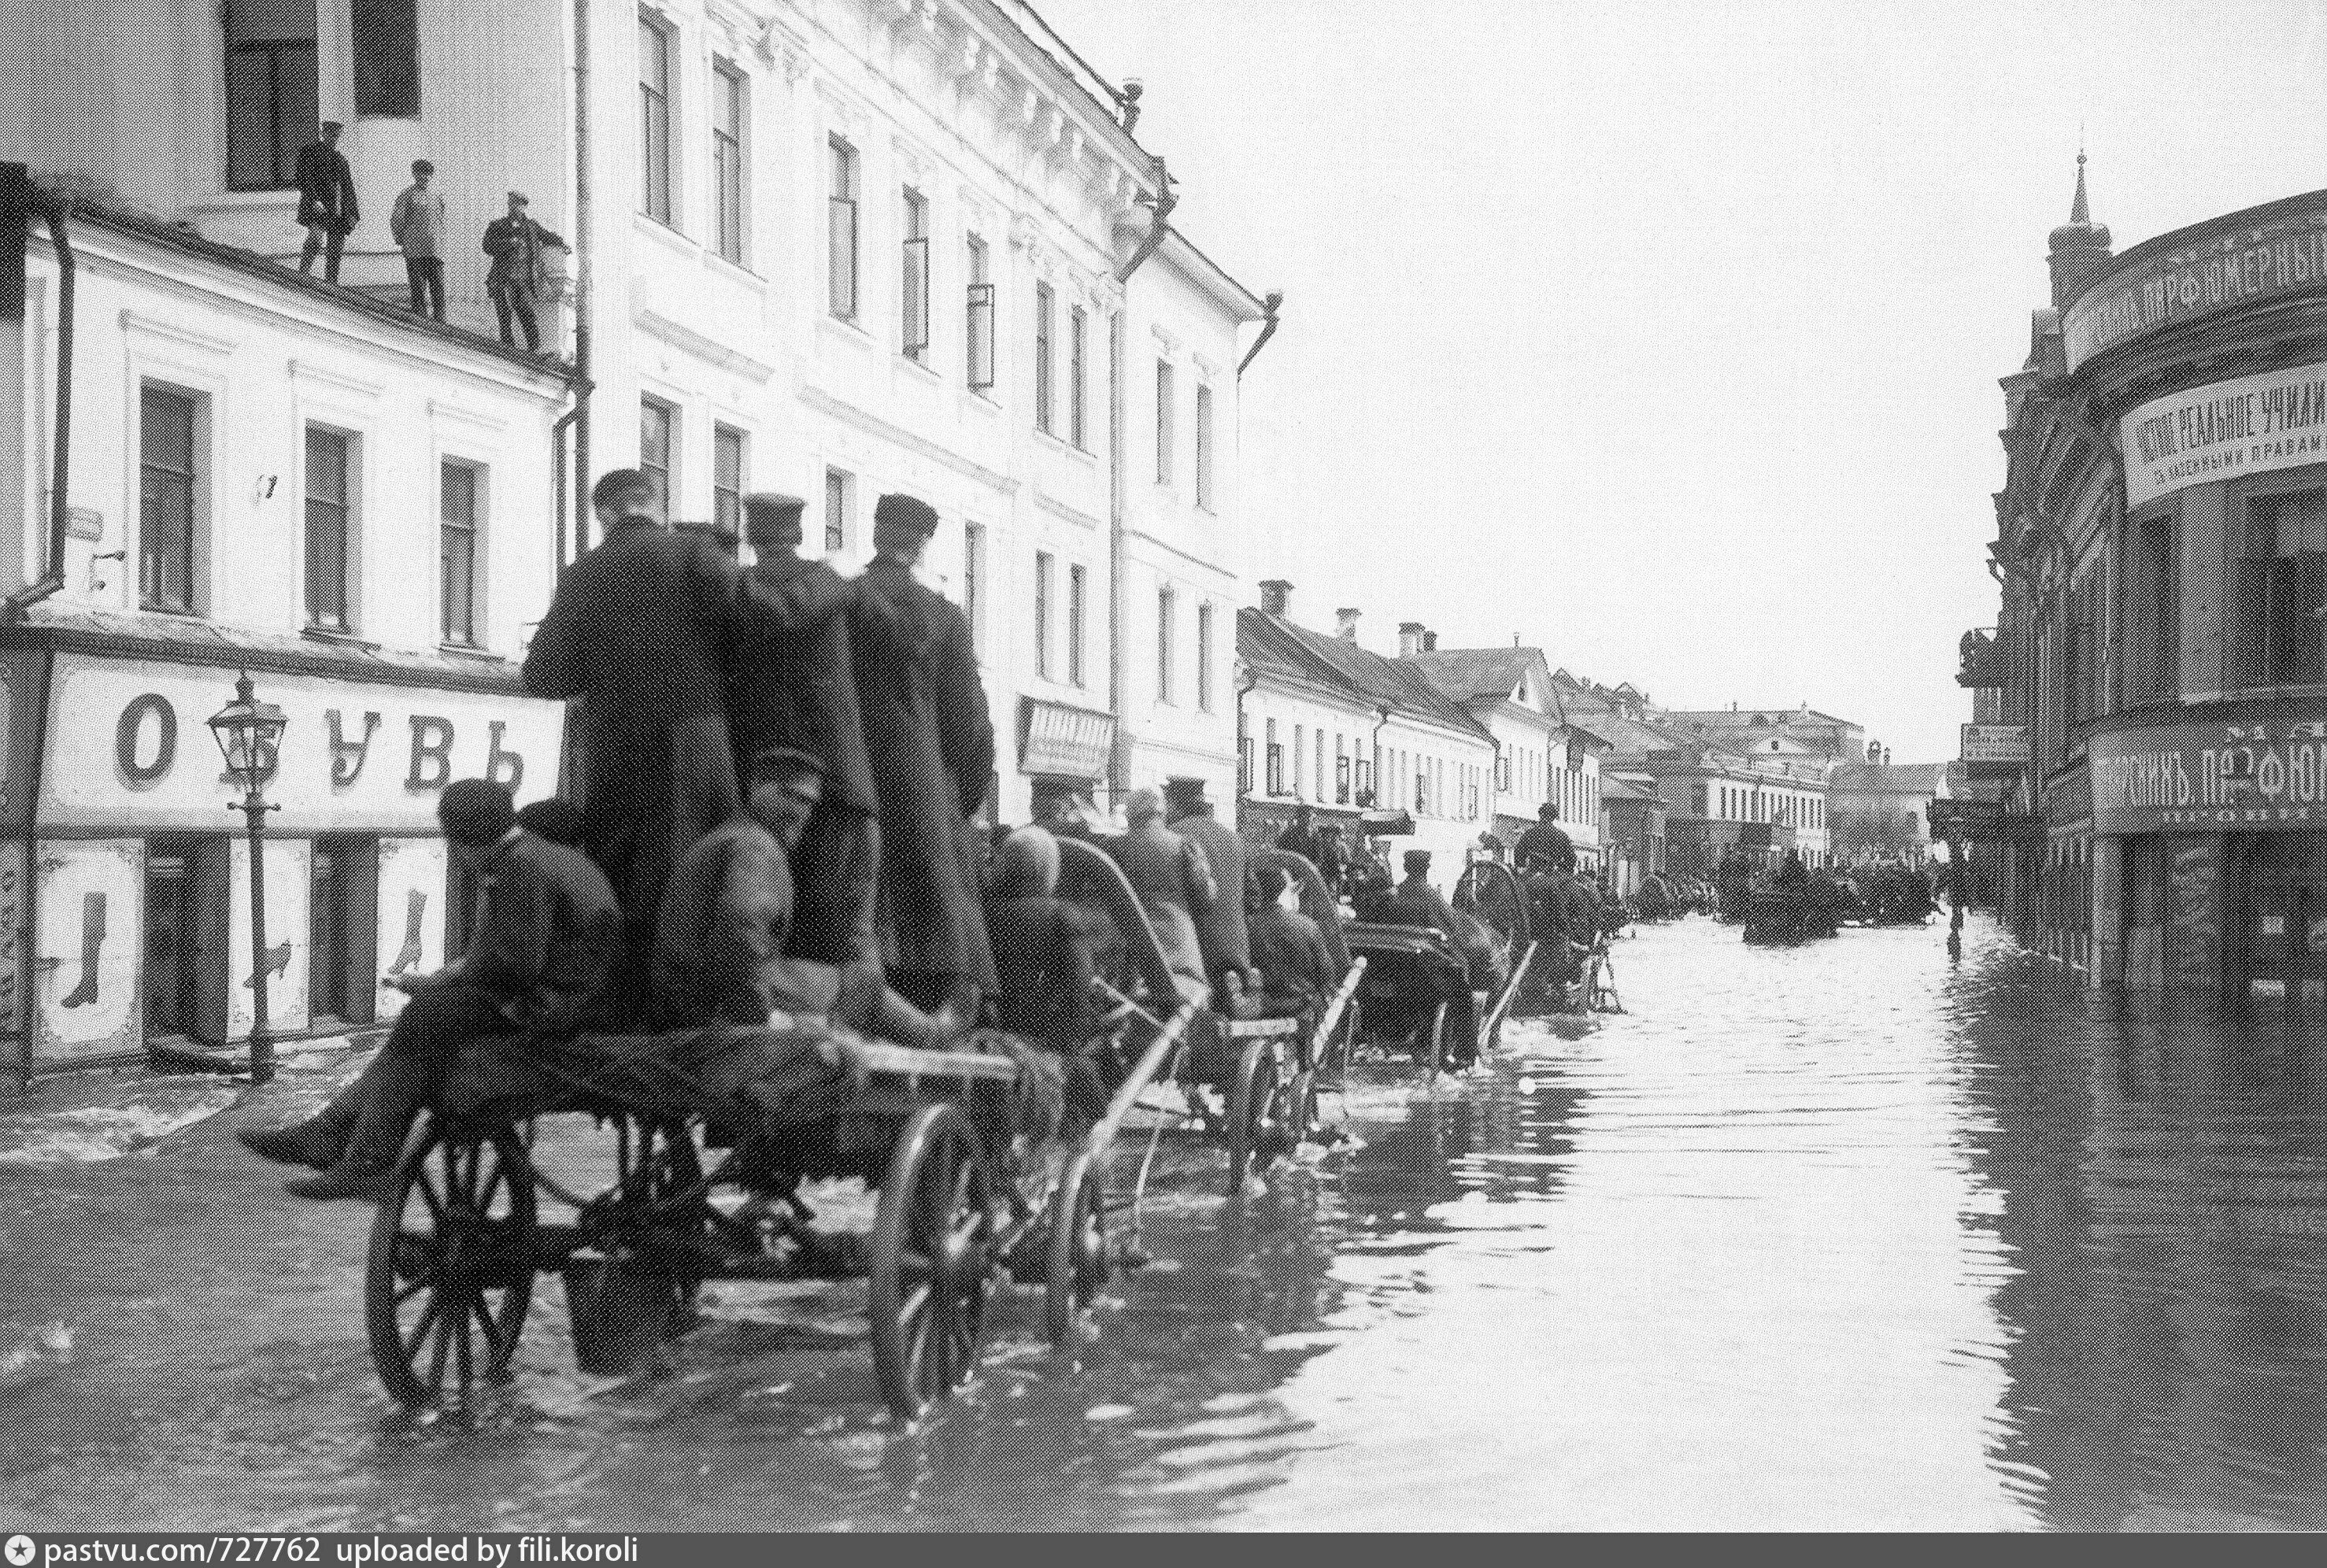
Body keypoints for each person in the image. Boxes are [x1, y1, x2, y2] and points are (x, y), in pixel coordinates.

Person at [238, 779, 622, 1200]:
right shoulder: (554, 859)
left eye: (449, 836)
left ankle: (355, 1149)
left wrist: (434, 982)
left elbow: (509, 964)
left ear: (462, 831)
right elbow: (505, 958)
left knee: (425, 1016)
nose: (452, 850)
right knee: (428, 1017)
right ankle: (341, 1136)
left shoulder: (515, 868)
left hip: (553, 1008)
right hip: (577, 1001)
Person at [523, 468, 745, 1018]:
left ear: (603, 514)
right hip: (701, 745)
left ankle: (635, 1008)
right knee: (710, 866)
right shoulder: (695, 554)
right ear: (654, 505)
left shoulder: (584, 575)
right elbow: (750, 630)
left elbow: (544, 676)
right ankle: (707, 1002)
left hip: (620, 750)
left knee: (628, 876)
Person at [652, 749, 960, 1047]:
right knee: (863, 986)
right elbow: (742, 934)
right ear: (756, 787)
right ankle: (936, 1035)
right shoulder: (755, 846)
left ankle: (930, 1033)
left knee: (843, 981)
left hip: (695, 989)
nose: (798, 812)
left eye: (808, 804)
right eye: (789, 795)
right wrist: (761, 1021)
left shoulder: (732, 836)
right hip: (712, 998)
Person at [848, 492, 999, 1014]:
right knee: (941, 951)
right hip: (922, 804)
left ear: (875, 534)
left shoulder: (841, 600)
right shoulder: (942, 616)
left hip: (848, 792)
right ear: (922, 545)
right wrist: (955, 797)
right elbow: (973, 729)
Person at [731, 492, 880, 969]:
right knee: (838, 939)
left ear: (754, 537)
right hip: (843, 784)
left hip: (772, 787)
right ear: (797, 536)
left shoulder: (741, 593)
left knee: (771, 930)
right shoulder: (837, 592)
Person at [1110, 786, 1215, 1000]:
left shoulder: (1115, 848)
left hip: (1131, 950)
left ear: (1131, 815)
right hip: (1177, 949)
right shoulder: (1183, 845)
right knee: (1184, 1009)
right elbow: (1206, 899)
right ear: (1161, 813)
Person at [1164, 778, 1254, 995]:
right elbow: (1252, 898)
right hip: (1238, 952)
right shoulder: (1234, 839)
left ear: (1176, 803)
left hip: (1195, 957)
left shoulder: (1176, 837)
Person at [1245, 864, 1337, 1020]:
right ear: (1284, 891)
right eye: (1293, 890)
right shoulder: (1309, 926)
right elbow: (1327, 977)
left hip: (1262, 1017)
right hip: (1303, 1017)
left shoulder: (1248, 927)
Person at [483, 191, 567, 353]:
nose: (515, 207)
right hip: (502, 277)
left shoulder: (532, 227)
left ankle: (534, 348)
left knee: (526, 311)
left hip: (523, 279)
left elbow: (548, 236)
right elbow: (487, 246)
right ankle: (508, 347)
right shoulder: (498, 225)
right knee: (504, 313)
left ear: (524, 207)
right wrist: (508, 242)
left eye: (519, 204)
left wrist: (562, 243)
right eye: (512, 204)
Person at [294, 122, 360, 282]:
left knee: (335, 249)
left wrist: (352, 213)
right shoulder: (309, 152)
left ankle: (331, 286)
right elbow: (304, 178)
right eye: (331, 134)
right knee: (315, 239)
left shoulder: (340, 160)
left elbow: (348, 188)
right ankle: (302, 276)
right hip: (317, 205)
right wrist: (314, 200)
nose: (334, 138)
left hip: (337, 209)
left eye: (337, 135)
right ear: (323, 134)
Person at [389, 159, 446, 320]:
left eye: (428, 174)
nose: (425, 177)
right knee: (418, 287)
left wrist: (441, 241)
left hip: (434, 248)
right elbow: (397, 219)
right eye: (421, 173)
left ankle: (441, 322)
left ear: (431, 176)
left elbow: (441, 220)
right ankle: (419, 323)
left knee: (438, 286)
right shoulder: (407, 195)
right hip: (414, 249)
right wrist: (400, 238)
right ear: (414, 175)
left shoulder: (438, 196)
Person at [1383, 849, 1460, 938]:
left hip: (1396, 947)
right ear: (1427, 867)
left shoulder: (1392, 894)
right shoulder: (1432, 897)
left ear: (1405, 867)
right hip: (1426, 949)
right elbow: (1453, 926)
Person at [1513, 802, 1576, 876]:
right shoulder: (1562, 836)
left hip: (1532, 876)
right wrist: (1560, 870)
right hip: (1554, 877)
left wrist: (1521, 867)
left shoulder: (1530, 833)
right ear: (1554, 817)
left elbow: (1519, 851)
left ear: (1540, 815)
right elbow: (1571, 859)